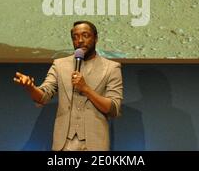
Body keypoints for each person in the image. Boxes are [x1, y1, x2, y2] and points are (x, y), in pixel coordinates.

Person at [13, 20, 123, 151]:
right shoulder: (60, 65)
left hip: (95, 144)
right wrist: (30, 87)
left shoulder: (111, 68)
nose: (80, 40)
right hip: (63, 144)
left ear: (96, 38)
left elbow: (113, 108)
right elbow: (44, 96)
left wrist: (86, 89)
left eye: (85, 35)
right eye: (75, 37)